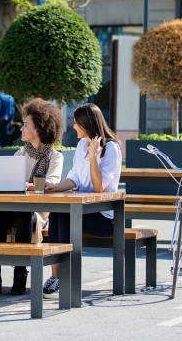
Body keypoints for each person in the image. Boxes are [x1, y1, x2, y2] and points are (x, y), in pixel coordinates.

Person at [42, 103, 122, 299]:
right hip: (82, 210)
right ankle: (57, 277)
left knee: (65, 217)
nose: (74, 127)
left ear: (87, 124)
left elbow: (99, 188)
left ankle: (65, 277)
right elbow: (75, 178)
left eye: (77, 123)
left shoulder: (111, 148)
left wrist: (94, 157)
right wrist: (55, 187)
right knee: (58, 213)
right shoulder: (81, 145)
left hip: (103, 216)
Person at [0, 98, 64, 296]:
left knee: (23, 216)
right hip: (13, 207)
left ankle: (20, 276)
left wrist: (24, 185)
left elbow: (49, 184)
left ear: (39, 128)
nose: (21, 129)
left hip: (38, 212)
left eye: (26, 125)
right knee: (1, 216)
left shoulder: (55, 157)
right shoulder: (21, 153)